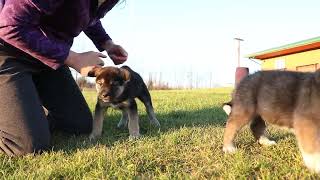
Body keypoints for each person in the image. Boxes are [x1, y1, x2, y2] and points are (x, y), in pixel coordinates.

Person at [0, 0, 128, 156]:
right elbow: (10, 25)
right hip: (6, 51)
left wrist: (107, 43)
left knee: (79, 125)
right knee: (26, 145)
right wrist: (73, 59)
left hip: (45, 56)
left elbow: (87, 16)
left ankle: (26, 114)